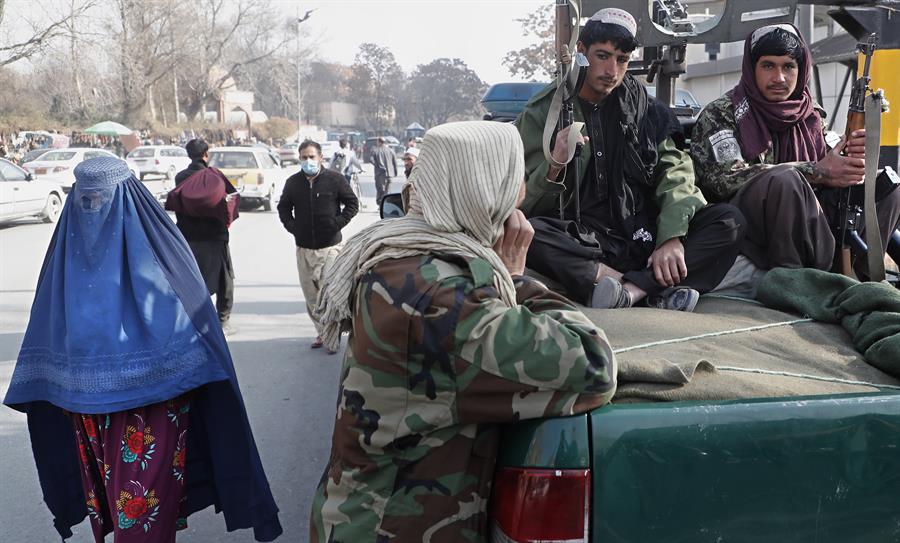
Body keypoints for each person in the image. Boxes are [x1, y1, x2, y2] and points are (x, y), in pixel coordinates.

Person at [309, 121, 617, 542]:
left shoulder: (400, 253)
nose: (520, 196)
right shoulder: (443, 299)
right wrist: (517, 280)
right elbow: (593, 366)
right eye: (511, 180)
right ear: (481, 188)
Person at [3, 157, 282, 543]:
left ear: (127, 197)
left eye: (102, 198)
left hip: (152, 406)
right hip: (89, 412)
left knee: (141, 519)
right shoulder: (65, 256)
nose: (92, 208)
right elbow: (47, 335)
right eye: (85, 199)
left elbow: (195, 322)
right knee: (117, 509)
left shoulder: (160, 247)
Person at [517, 8, 745, 311]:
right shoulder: (544, 113)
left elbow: (675, 173)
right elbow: (523, 202)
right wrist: (556, 164)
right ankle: (641, 286)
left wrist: (671, 238)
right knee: (528, 231)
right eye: (603, 56)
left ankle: (631, 291)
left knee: (728, 221)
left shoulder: (645, 109)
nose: (612, 70)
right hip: (585, 242)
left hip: (642, 234)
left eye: (622, 60)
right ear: (581, 52)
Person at [691, 23, 900, 277]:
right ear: (751, 68)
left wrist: (851, 155)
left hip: (809, 219)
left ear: (801, 70)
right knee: (786, 180)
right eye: (768, 66)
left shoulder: (811, 114)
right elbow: (723, 180)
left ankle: (862, 276)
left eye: (789, 66)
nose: (779, 78)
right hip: (747, 229)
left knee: (887, 184)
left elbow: (830, 158)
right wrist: (815, 171)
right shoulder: (722, 113)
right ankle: (794, 278)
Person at [277, 140, 359, 353]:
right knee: (311, 296)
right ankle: (323, 332)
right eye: (304, 157)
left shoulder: (335, 179)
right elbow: (283, 208)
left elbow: (352, 204)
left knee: (328, 293)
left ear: (321, 157)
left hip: (330, 247)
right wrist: (293, 227)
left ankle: (332, 336)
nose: (308, 161)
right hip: (304, 248)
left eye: (312, 156)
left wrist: (336, 224)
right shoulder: (293, 183)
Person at [172, 139, 236, 335]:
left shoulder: (181, 177)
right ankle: (222, 320)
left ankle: (195, 321)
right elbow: (231, 198)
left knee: (192, 277)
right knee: (224, 278)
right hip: (215, 236)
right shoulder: (216, 176)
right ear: (206, 154)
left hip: (188, 237)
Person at [370, 136, 398, 203]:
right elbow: (395, 163)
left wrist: (377, 165)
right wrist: (395, 172)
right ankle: (386, 203)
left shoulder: (375, 150)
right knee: (388, 190)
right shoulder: (391, 151)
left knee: (380, 190)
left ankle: (381, 203)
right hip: (390, 174)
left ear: (379, 142)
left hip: (380, 173)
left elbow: (371, 160)